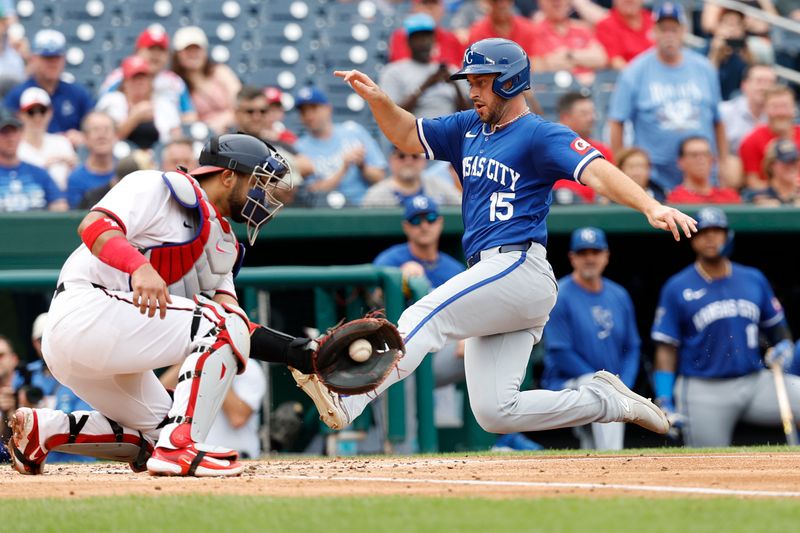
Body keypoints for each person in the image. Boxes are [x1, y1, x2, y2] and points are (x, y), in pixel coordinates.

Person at [289, 38, 696, 441]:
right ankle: (604, 401)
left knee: (426, 317)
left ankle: (348, 396)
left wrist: (649, 205)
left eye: (482, 81)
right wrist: (379, 100)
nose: (473, 91)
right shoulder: (467, 126)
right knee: (495, 411)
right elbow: (408, 134)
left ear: (510, 82)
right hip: (495, 276)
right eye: (471, 82)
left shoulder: (539, 134)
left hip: (519, 266)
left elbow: (596, 170)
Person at [5, 133, 332, 477]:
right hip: (83, 311)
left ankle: (45, 431)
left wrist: (299, 351)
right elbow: (94, 225)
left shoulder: (224, 245)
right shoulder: (158, 187)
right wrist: (140, 267)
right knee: (217, 329)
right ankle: (181, 448)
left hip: (106, 343)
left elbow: (236, 324)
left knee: (156, 436)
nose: (264, 197)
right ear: (227, 176)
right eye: (257, 183)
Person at [373, 195, 541, 452]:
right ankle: (404, 454)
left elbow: (475, 311)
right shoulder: (391, 260)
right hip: (400, 350)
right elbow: (372, 304)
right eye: (416, 220)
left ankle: (502, 439)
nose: (424, 225)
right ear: (407, 227)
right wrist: (397, 281)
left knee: (497, 348)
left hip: (441, 352)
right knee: (400, 368)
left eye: (429, 218)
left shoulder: (453, 268)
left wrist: (471, 336)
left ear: (439, 223)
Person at [651, 207, 800, 447]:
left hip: (754, 382)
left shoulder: (752, 278)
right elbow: (666, 347)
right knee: (707, 461)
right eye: (703, 232)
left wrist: (784, 343)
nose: (710, 237)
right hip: (704, 390)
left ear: (727, 236)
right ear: (692, 238)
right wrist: (665, 397)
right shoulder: (677, 286)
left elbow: (777, 325)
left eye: (717, 231)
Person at [608, 3, 730, 193]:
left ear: (684, 31)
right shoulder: (634, 71)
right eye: (663, 29)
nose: (669, 35)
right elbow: (617, 122)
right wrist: (620, 168)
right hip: (654, 179)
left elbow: (718, 121)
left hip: (703, 177)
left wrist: (723, 163)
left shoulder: (704, 68)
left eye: (674, 29)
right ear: (654, 31)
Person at [542, 227, 640, 450]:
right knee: (602, 393)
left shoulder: (619, 295)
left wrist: (624, 384)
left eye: (595, 252)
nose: (589, 258)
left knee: (591, 446)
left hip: (610, 386)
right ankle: (614, 460)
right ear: (572, 258)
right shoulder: (560, 294)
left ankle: (598, 474)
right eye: (583, 253)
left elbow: (632, 347)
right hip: (567, 385)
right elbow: (559, 352)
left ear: (606, 256)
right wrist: (607, 384)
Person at [294, 86, 387, 207]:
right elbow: (312, 192)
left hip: (362, 205)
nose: (309, 115)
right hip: (323, 210)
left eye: (314, 108)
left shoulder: (354, 131)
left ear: (328, 108)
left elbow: (379, 177)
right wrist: (343, 169)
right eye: (303, 111)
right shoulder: (299, 147)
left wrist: (362, 165)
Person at [159, 359, 266, 460]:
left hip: (237, 457)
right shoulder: (191, 364)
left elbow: (237, 418)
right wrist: (193, 359)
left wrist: (215, 368)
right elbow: (160, 398)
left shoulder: (248, 367)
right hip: (197, 455)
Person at [4, 30, 94, 146]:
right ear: (34, 59)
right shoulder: (18, 94)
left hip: (70, 157)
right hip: (30, 155)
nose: (52, 63)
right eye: (47, 58)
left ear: (64, 59)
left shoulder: (77, 93)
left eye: (57, 58)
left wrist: (83, 136)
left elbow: (94, 124)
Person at [98, 25, 198, 125]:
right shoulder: (119, 76)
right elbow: (102, 112)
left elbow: (190, 115)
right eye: (151, 49)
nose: (156, 55)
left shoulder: (174, 82)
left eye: (161, 50)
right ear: (138, 51)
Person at [379, 14, 469, 120]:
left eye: (428, 37)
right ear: (408, 41)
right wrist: (425, 86)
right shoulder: (393, 72)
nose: (424, 42)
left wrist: (454, 85)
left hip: (450, 133)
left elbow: (468, 115)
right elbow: (391, 115)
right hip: (414, 133)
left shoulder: (450, 71)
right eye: (419, 38)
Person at [95, 55, 182, 149]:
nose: (139, 82)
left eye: (143, 77)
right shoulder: (112, 100)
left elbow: (176, 138)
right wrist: (136, 116)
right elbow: (108, 139)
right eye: (134, 78)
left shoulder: (164, 105)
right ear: (125, 83)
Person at [170, 26, 241, 134]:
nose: (193, 54)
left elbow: (240, 104)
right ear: (178, 54)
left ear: (204, 51)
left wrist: (223, 121)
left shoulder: (221, 72)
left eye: (197, 49)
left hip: (232, 130)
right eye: (187, 50)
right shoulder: (173, 83)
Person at [552, 92, 613, 204]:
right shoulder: (548, 150)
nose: (591, 118)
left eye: (592, 112)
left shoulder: (602, 151)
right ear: (566, 117)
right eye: (584, 114)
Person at [0, 108, 66, 211]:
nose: (11, 138)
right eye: (4, 133)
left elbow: (60, 205)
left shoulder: (37, 172)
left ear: (21, 134)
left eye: (14, 132)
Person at [530, 0, 608, 84]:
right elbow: (539, 66)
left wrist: (569, 55)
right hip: (554, 88)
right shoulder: (534, 31)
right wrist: (584, 59)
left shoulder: (582, 29)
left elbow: (601, 59)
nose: (557, 2)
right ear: (540, 2)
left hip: (588, 87)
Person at [739, 85, 800, 190]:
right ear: (765, 109)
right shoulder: (752, 140)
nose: (780, 113)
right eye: (775, 107)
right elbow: (752, 181)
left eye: (785, 106)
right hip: (770, 199)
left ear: (794, 108)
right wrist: (783, 192)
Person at [16, 87, 77, 191]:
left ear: (50, 112)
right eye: (31, 112)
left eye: (42, 111)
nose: (37, 117)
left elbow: (73, 179)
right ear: (21, 115)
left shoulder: (62, 142)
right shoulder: (15, 147)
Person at [362, 146, 462, 207]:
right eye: (401, 156)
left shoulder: (440, 187)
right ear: (391, 161)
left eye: (415, 156)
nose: (408, 161)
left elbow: (462, 209)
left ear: (424, 161)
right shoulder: (376, 195)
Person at [719, 64, 777, 154]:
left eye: (770, 83)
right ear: (744, 85)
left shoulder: (779, 115)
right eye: (759, 81)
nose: (764, 88)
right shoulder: (724, 112)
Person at [388, 0, 465, 68]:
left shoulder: (451, 39)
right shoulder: (402, 36)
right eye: (425, 3)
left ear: (442, 9)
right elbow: (403, 70)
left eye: (434, 4)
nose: (430, 9)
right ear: (414, 8)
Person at [666, 136, 741, 205]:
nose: (701, 160)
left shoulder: (730, 196)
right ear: (681, 162)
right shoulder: (675, 199)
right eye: (694, 155)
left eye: (705, 154)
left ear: (712, 159)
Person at [66, 111, 118, 209]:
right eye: (96, 130)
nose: (102, 135)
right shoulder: (76, 178)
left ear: (115, 136)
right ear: (85, 138)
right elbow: (77, 216)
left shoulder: (125, 172)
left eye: (107, 129)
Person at [706, 9, 754, 102]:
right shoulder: (706, 49)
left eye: (737, 24)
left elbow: (750, 80)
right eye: (728, 24)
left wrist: (744, 51)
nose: (732, 29)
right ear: (718, 26)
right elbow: (705, 81)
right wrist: (715, 54)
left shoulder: (744, 52)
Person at [595, 0, 654, 70]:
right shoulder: (606, 25)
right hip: (632, 76)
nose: (629, 1)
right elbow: (616, 61)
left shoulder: (654, 19)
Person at [467, 0, 537, 56]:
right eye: (495, 1)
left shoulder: (527, 28)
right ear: (487, 3)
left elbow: (535, 61)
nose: (502, 5)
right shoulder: (477, 32)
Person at [742, 139, 800, 206]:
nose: (791, 166)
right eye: (786, 161)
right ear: (771, 165)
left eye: (795, 161)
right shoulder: (757, 196)